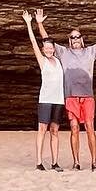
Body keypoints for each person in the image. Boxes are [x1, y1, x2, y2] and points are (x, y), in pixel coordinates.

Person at [35, 7, 96, 170]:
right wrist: (39, 24)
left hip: (87, 97)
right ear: (69, 40)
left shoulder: (90, 51)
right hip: (71, 97)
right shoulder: (64, 53)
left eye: (78, 36)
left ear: (82, 39)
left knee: (90, 127)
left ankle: (94, 162)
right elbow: (47, 42)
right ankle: (77, 162)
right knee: (74, 129)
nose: (75, 39)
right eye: (72, 37)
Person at [23, 10, 66, 171]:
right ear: (43, 50)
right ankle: (39, 162)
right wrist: (30, 23)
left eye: (50, 47)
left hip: (58, 100)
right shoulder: (43, 61)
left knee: (54, 130)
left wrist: (41, 24)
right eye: (45, 48)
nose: (48, 49)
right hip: (46, 100)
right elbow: (34, 42)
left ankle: (55, 162)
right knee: (42, 129)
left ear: (53, 49)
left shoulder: (59, 61)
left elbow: (48, 39)